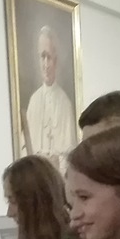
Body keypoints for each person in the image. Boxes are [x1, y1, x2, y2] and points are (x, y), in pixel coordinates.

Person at [25, 26, 77, 166]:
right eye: (43, 57)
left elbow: (71, 156)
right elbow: (24, 151)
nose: (46, 64)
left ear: (56, 61)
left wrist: (56, 162)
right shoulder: (34, 101)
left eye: (49, 58)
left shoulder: (65, 103)